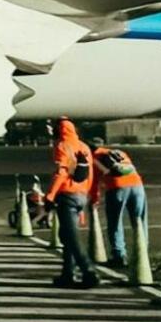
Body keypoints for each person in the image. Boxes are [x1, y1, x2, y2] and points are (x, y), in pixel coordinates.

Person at [46, 118, 98, 287]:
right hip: (81, 194)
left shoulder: (62, 146)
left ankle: (88, 271)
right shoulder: (84, 146)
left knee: (71, 237)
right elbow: (90, 175)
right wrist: (87, 196)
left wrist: (50, 195)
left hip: (67, 194)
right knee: (68, 236)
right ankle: (67, 274)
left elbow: (61, 173)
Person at [91, 136, 146, 270]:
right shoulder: (119, 152)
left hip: (117, 187)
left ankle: (119, 256)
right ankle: (142, 254)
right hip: (137, 185)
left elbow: (94, 181)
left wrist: (94, 199)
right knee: (139, 220)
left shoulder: (93, 158)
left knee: (115, 222)